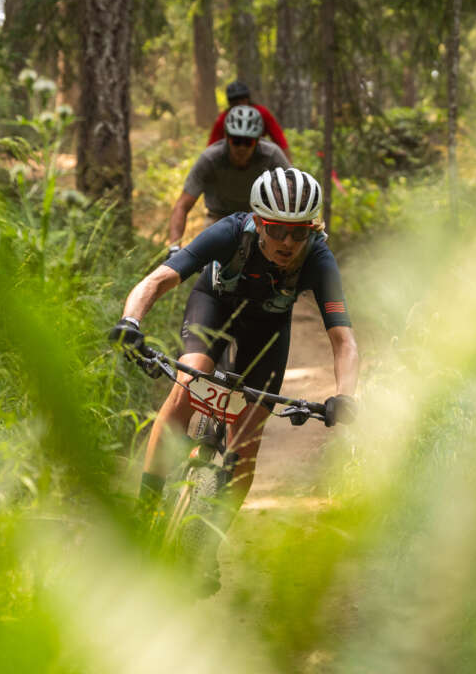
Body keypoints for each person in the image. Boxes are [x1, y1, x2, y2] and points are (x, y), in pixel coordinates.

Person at [109, 167, 360, 588]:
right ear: (259, 222)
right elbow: (160, 278)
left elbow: (343, 340)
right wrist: (131, 321)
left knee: (248, 437)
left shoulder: (318, 258)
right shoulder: (229, 232)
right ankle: (144, 509)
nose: (287, 243)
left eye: (299, 233)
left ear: (313, 232)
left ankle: (208, 541)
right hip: (214, 308)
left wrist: (345, 395)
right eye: (277, 230)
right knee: (190, 383)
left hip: (268, 329)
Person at [166, 103, 288, 255]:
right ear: (227, 138)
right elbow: (182, 205)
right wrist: (174, 248)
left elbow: (293, 193)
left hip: (258, 220)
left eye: (248, 142)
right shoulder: (210, 159)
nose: (241, 148)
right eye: (236, 141)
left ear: (257, 141)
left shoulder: (272, 156)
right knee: (209, 266)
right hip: (218, 219)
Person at [207, 80, 291, 161]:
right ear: (230, 104)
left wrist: (287, 166)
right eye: (235, 102)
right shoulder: (223, 119)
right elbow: (210, 150)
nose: (240, 104)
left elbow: (280, 141)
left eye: (242, 100)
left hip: (259, 158)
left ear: (248, 99)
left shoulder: (262, 113)